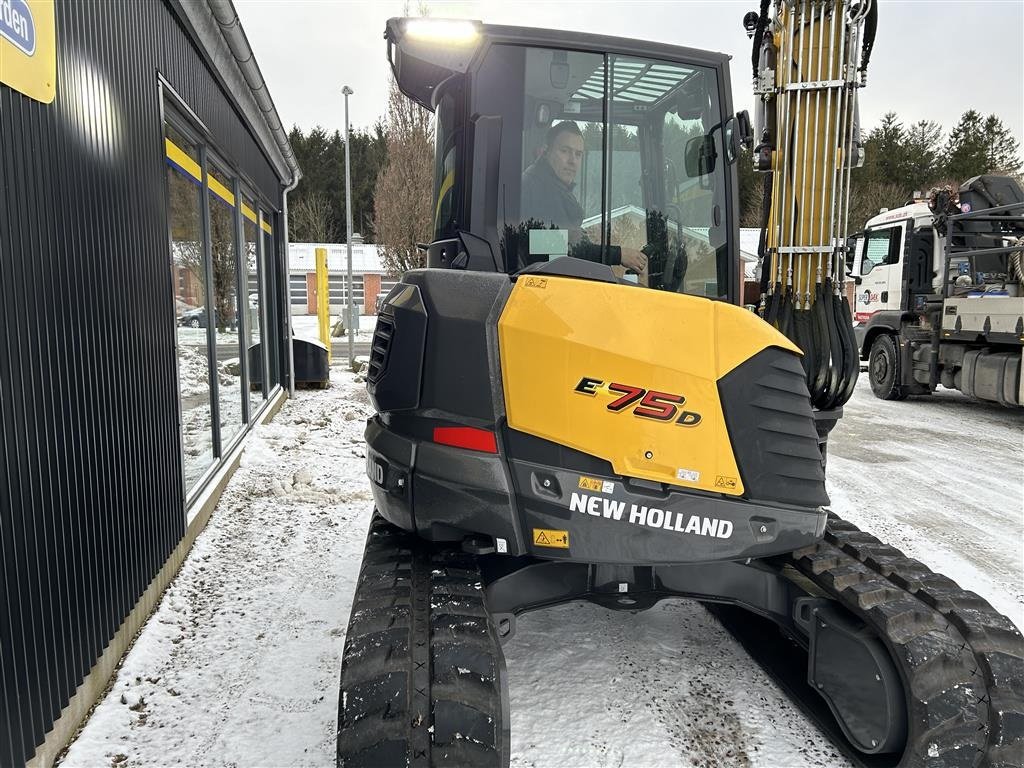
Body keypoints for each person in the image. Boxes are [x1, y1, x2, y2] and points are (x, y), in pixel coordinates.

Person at [521, 121, 647, 273]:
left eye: (578, 154)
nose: (572, 161)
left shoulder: (553, 186)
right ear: (545, 152)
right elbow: (548, 246)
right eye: (565, 151)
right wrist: (618, 254)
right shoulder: (536, 189)